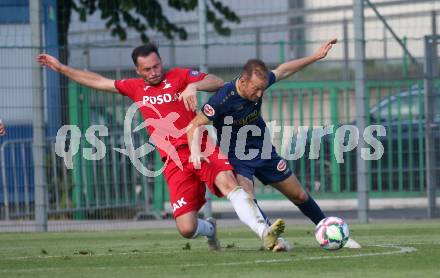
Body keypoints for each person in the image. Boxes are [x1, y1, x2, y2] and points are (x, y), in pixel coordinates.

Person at [37, 43, 285, 251]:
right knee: (187, 229)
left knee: (229, 183)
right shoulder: (134, 88)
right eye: (147, 69)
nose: (154, 72)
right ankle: (209, 228)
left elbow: (217, 81)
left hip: (199, 145)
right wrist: (60, 67)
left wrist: (193, 85)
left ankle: (265, 233)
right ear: (138, 70)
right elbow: (98, 81)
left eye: (157, 66)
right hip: (174, 161)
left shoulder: (178, 76)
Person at [187, 38, 361, 251]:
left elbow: (284, 70)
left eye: (262, 89)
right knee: (247, 196)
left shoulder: (259, 81)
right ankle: (271, 238)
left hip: (264, 150)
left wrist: (316, 56)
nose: (260, 94)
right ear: (243, 81)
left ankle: (327, 228)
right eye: (256, 89)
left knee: (299, 195)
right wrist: (195, 150)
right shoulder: (222, 99)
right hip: (237, 155)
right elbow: (195, 124)